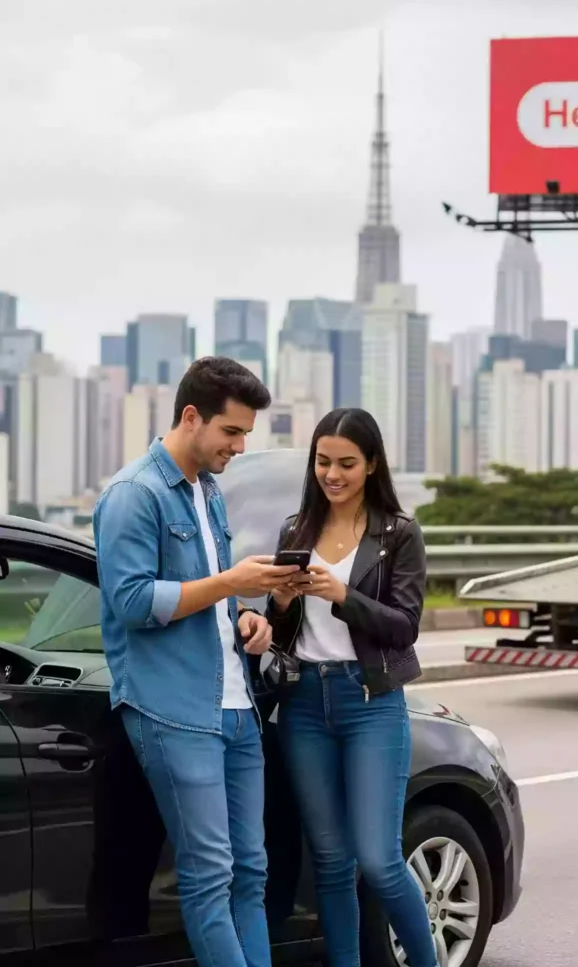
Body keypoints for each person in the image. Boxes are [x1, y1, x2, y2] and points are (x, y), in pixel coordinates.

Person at [93, 356, 303, 967]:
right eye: (231, 431)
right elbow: (133, 602)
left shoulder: (208, 491)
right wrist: (231, 582)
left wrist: (244, 617)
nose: (239, 446)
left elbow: (208, 594)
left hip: (238, 709)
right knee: (210, 875)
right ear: (191, 416)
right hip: (174, 710)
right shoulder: (133, 495)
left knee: (251, 872)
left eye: (245, 434)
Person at [265, 408, 439, 967]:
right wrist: (280, 603)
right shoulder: (295, 530)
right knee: (331, 861)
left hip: (370, 703)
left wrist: (343, 595)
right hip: (304, 705)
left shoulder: (399, 534)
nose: (332, 474)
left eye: (346, 463)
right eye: (323, 462)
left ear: (371, 465)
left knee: (380, 861)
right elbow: (283, 633)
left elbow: (404, 627)